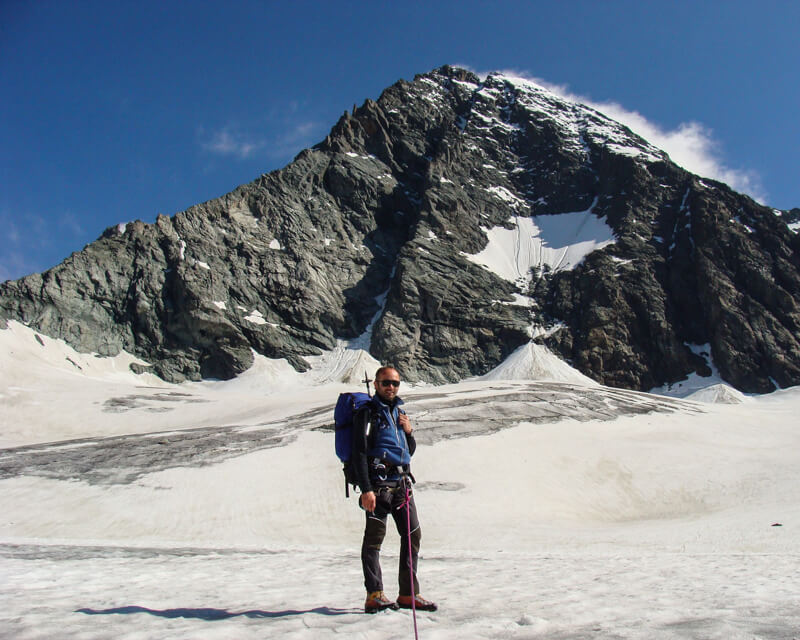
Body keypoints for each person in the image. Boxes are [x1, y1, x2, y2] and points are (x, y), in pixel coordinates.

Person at [352, 365, 438, 614]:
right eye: (386, 383)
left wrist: (409, 431)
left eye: (395, 383)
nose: (391, 387)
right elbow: (359, 451)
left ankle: (408, 593)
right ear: (376, 384)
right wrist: (366, 488)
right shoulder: (367, 414)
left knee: (412, 535)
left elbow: (406, 451)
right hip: (378, 487)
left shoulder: (398, 413)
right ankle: (374, 594)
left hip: (401, 484)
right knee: (374, 539)